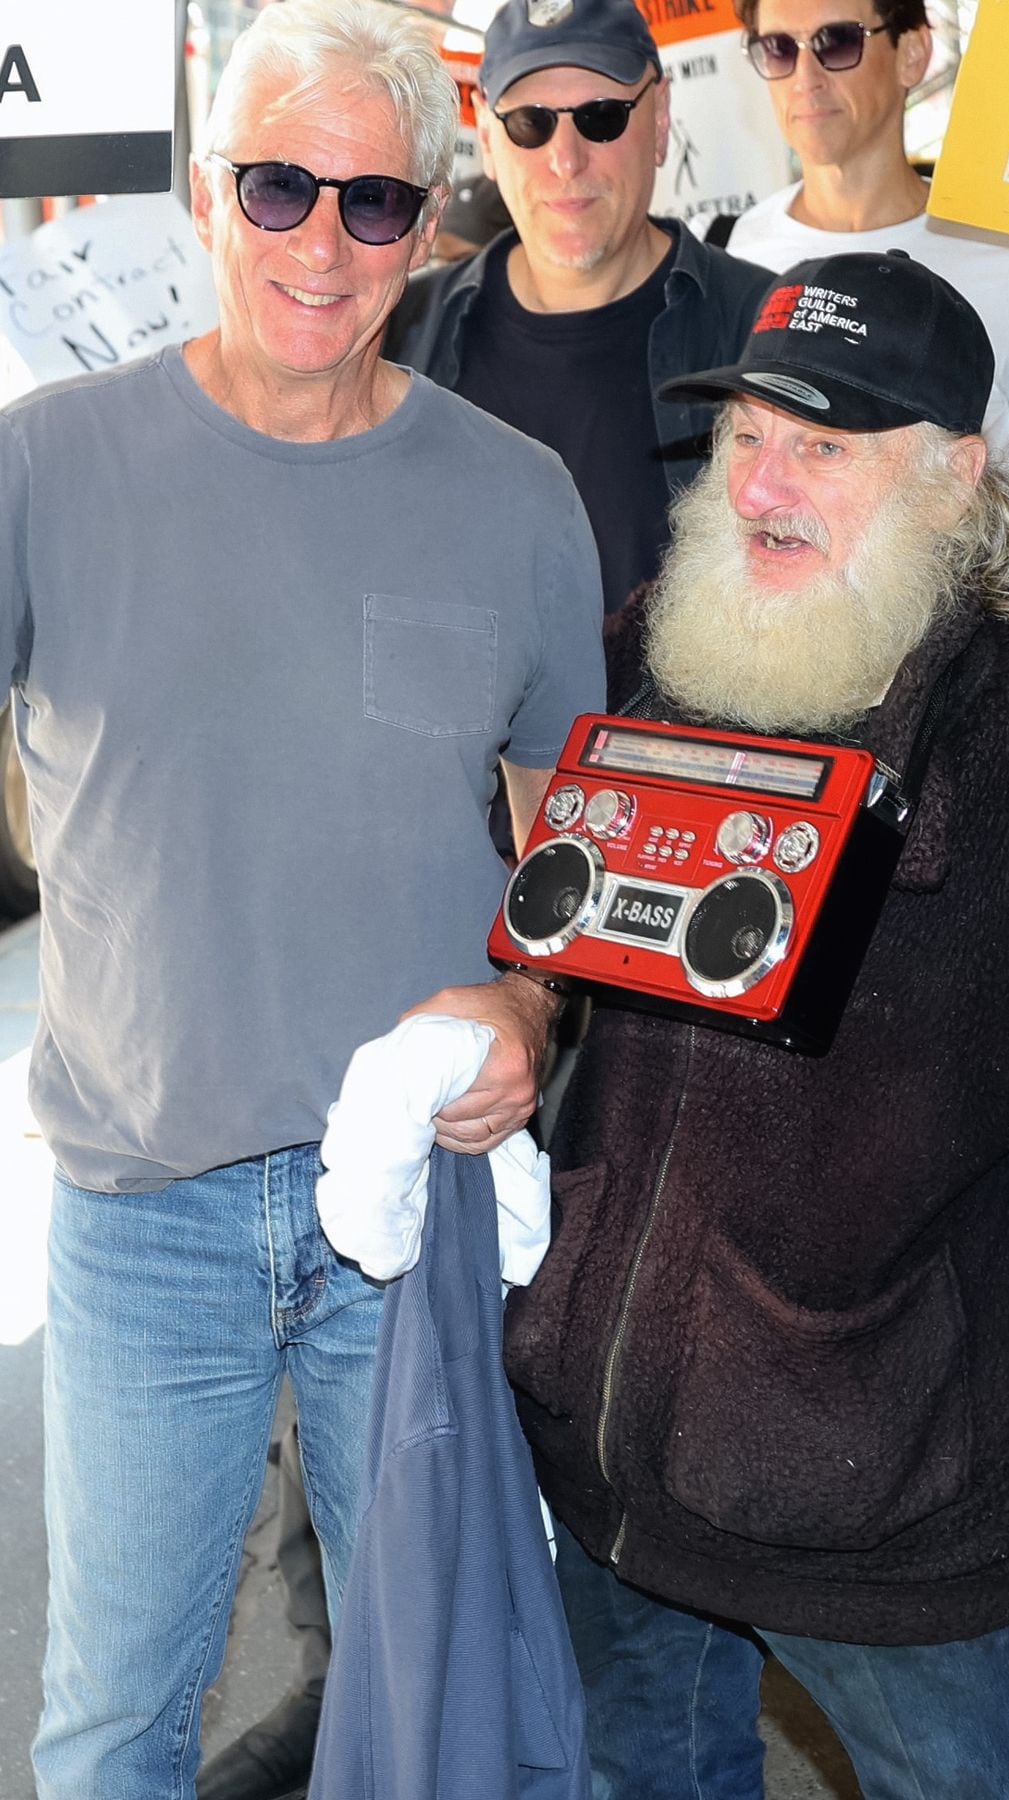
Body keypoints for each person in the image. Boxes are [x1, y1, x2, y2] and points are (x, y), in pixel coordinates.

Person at [8, 3, 604, 1796]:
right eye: (280, 188)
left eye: (371, 203)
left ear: (430, 227)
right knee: (112, 1724)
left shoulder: (518, 502)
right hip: (144, 1211)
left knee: (456, 1705)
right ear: (208, 194)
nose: (322, 246)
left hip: (415, 1217)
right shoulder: (46, 465)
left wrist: (528, 1010)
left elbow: (576, 873)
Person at [502, 250, 1009, 1797]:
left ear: (958, 479)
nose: (761, 482)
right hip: (622, 1478)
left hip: (902, 1541)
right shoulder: (655, 655)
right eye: (749, 431)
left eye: (823, 446)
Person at [386, 0, 772, 613]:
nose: (566, 161)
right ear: (486, 137)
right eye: (530, 124)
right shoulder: (396, 331)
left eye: (601, 117)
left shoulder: (769, 333)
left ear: (662, 118)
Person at [723, 0, 1009, 560]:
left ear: (912, 53)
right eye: (779, 48)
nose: (805, 78)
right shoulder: (735, 249)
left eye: (837, 42)